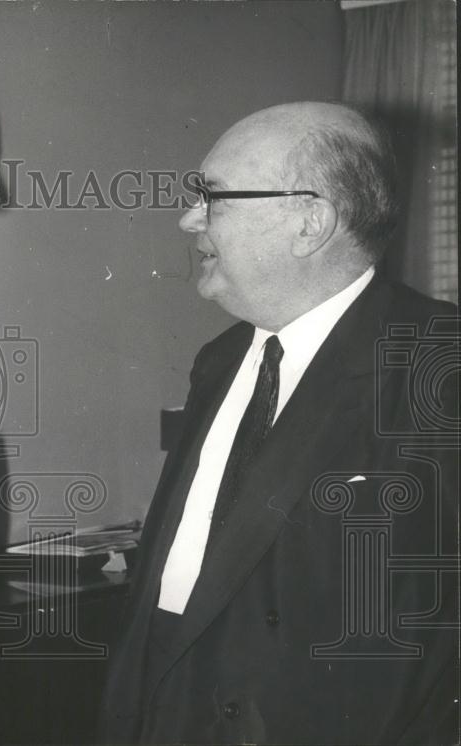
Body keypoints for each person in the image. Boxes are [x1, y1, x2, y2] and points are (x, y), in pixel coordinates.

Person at [101, 101, 459, 744]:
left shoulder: (437, 361)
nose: (189, 219)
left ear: (309, 221)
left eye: (213, 198)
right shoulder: (219, 362)